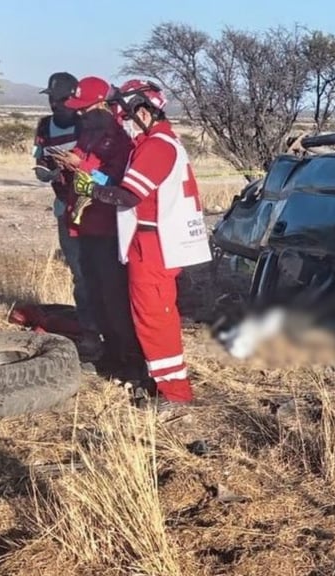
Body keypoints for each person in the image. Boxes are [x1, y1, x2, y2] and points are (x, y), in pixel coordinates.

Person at [71, 79, 212, 410]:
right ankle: (162, 380)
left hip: (153, 243)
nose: (125, 121)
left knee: (155, 316)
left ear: (144, 111)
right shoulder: (160, 142)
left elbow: (129, 195)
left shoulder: (157, 146)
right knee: (150, 314)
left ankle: (175, 392)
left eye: (128, 114)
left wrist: (90, 189)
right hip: (148, 239)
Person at [54, 76, 144, 379]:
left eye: (85, 108)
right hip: (82, 224)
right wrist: (68, 162)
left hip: (106, 227)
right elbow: (81, 156)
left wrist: (85, 170)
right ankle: (108, 351)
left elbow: (120, 182)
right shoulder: (89, 132)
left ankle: (128, 358)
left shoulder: (119, 139)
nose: (80, 114)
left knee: (112, 294)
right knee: (92, 289)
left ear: (104, 105)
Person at [32, 72, 102, 360]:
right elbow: (39, 163)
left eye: (61, 99)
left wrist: (80, 166)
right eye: (51, 99)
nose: (55, 105)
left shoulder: (89, 125)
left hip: (95, 207)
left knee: (104, 272)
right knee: (81, 274)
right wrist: (47, 171)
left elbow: (105, 168)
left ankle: (112, 331)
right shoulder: (44, 125)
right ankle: (89, 333)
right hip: (65, 207)